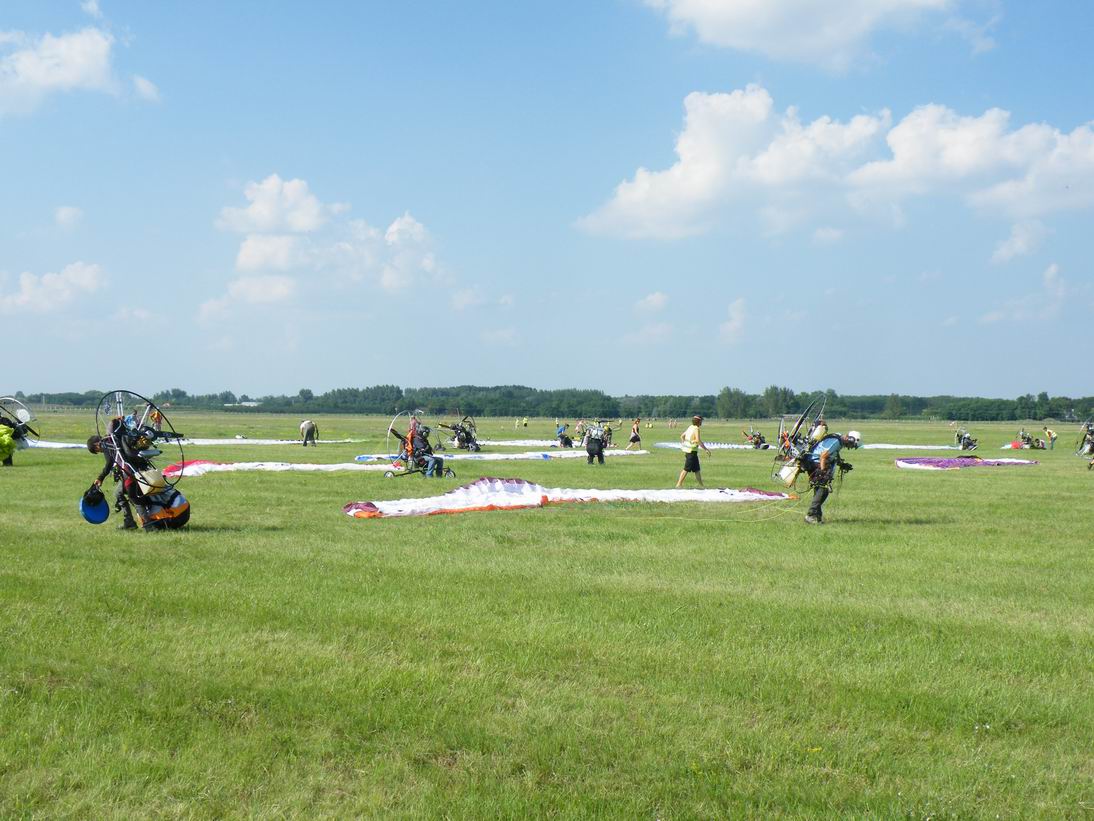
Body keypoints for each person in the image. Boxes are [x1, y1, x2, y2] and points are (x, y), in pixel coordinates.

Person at [801, 430, 861, 525]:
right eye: (851, 444)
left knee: (820, 490)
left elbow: (833, 453)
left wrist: (841, 464)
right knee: (822, 490)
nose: (849, 447)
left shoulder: (839, 439)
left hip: (814, 462)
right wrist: (822, 471)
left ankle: (817, 517)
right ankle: (810, 515)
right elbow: (823, 456)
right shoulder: (836, 442)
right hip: (816, 463)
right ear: (849, 439)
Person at [87, 428, 139, 529]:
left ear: (96, 445)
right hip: (134, 469)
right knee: (126, 493)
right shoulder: (113, 440)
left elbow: (109, 463)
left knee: (120, 493)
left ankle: (131, 522)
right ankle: (134, 520)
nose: (100, 451)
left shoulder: (105, 444)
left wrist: (101, 477)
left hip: (129, 472)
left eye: (97, 451)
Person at [676, 415, 710, 487]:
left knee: (697, 470)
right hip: (691, 452)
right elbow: (698, 440)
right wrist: (706, 449)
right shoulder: (696, 429)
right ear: (699, 421)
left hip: (690, 451)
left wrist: (684, 444)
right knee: (686, 469)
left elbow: (682, 436)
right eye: (701, 421)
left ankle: (701, 486)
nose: (701, 422)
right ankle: (678, 484)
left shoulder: (690, 427)